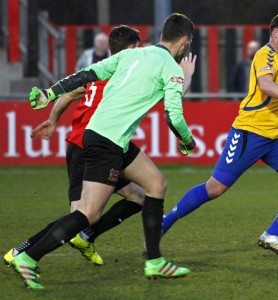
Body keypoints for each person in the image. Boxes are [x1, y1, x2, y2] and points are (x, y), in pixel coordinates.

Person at [13, 13, 196, 290]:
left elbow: (85, 75)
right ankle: (28, 256)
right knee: (88, 214)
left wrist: (48, 93)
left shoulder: (131, 55)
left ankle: (156, 260)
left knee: (156, 184)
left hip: (105, 136)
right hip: (106, 141)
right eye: (188, 43)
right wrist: (188, 142)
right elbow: (173, 115)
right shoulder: (171, 69)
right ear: (185, 41)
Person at [162, 13, 278, 259]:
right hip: (250, 134)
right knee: (214, 188)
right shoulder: (265, 54)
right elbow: (265, 85)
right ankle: (163, 223)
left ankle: (273, 233)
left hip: (276, 140)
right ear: (276, 32)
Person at [4, 25, 144, 268]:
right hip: (87, 149)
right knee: (80, 216)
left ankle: (87, 237)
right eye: (138, 46)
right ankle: (21, 251)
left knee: (138, 197)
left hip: (101, 147)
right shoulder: (122, 76)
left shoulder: (97, 72)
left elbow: (68, 95)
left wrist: (53, 120)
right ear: (131, 48)